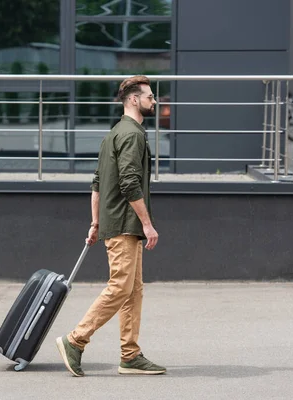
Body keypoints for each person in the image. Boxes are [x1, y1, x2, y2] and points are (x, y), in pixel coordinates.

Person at [56, 75, 165, 377]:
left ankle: (130, 356)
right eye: (150, 96)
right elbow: (129, 182)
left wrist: (95, 223)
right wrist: (148, 223)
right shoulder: (132, 135)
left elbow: (97, 182)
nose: (154, 101)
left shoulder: (113, 133)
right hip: (125, 224)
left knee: (133, 291)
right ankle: (75, 340)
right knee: (120, 288)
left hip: (116, 223)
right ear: (133, 99)